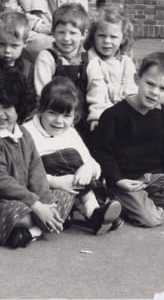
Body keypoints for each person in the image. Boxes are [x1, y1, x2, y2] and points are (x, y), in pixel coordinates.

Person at [0, 72, 74, 248]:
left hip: (23, 197)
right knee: (17, 214)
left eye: (7, 107)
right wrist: (36, 205)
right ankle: (39, 226)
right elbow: (0, 182)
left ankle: (32, 231)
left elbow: (36, 170)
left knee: (63, 197)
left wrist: (46, 202)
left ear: (20, 107)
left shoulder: (24, 134)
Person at [91, 52, 164, 227]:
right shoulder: (114, 115)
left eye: (163, 89)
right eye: (150, 84)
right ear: (137, 79)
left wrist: (163, 181)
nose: (154, 92)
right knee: (150, 218)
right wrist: (117, 180)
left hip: (151, 179)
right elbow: (102, 152)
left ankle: (135, 203)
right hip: (123, 180)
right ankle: (117, 198)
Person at [21, 77, 123, 235]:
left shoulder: (70, 133)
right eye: (52, 113)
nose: (59, 121)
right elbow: (22, 173)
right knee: (69, 158)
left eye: (66, 116)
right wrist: (56, 181)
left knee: (78, 170)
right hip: (42, 186)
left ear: (75, 115)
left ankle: (92, 212)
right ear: (41, 109)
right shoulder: (27, 132)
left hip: (71, 186)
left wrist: (87, 168)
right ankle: (92, 213)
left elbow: (94, 164)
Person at [32, 3, 90, 136]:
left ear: (83, 34)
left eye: (73, 33)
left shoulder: (89, 59)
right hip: (54, 116)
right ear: (53, 32)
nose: (66, 38)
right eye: (61, 32)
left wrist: (96, 115)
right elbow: (42, 93)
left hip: (82, 118)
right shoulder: (47, 57)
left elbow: (97, 88)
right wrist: (62, 119)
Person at [84, 6, 138, 131]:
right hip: (102, 116)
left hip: (122, 114)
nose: (107, 41)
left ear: (123, 38)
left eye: (113, 37)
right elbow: (96, 89)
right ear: (93, 36)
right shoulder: (93, 61)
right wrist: (96, 117)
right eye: (101, 35)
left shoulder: (126, 62)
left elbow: (130, 88)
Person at [0, 11, 36, 121]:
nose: (7, 50)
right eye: (2, 44)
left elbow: (30, 95)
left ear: (25, 44)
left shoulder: (28, 64)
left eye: (14, 46)